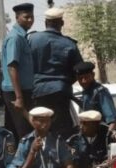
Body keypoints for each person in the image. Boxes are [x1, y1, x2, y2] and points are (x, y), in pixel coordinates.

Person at [28, 7, 83, 139]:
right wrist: (64, 82)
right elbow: (79, 70)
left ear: (45, 22)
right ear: (61, 23)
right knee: (62, 131)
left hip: (38, 91)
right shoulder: (69, 44)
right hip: (61, 92)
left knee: (40, 129)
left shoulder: (32, 39)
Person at [1, 3, 35, 142]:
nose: (30, 20)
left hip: (21, 91)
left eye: (31, 17)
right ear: (17, 17)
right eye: (26, 17)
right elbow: (12, 67)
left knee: (17, 134)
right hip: (16, 93)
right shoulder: (15, 38)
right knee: (25, 135)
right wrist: (19, 97)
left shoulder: (23, 37)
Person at [74, 61, 116, 131]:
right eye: (80, 78)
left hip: (100, 134)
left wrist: (108, 135)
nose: (83, 81)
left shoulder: (100, 92)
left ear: (93, 75)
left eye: (86, 77)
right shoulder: (86, 92)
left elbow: (112, 120)